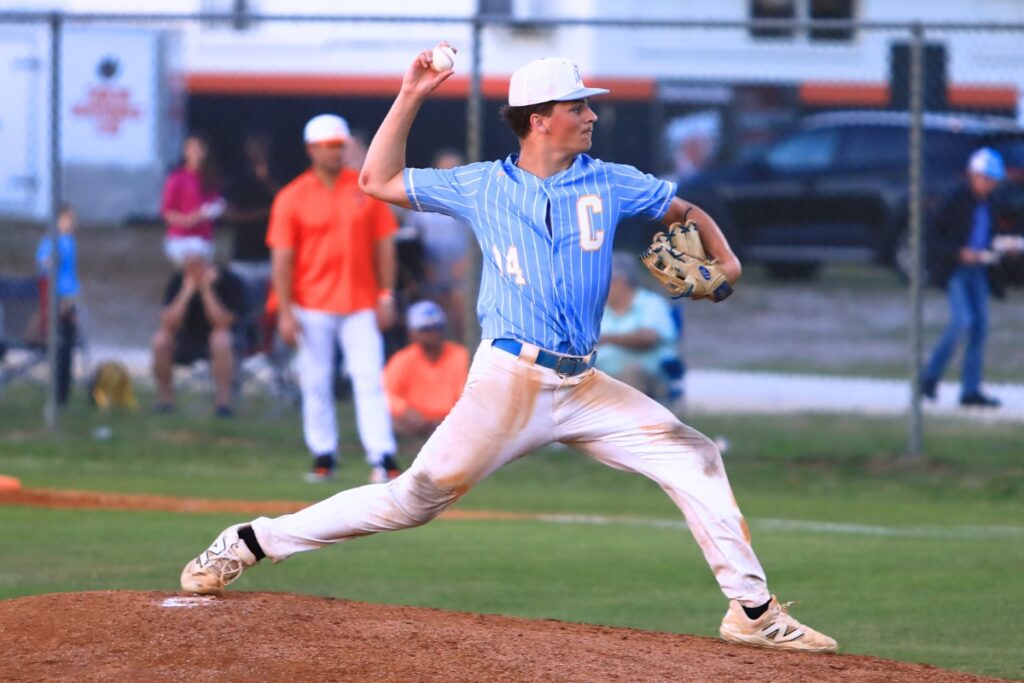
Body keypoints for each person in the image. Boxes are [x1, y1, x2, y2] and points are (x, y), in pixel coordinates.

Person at [180, 49, 837, 654]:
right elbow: (376, 180)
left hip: (583, 385)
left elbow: (682, 207)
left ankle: (751, 609)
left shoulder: (609, 180)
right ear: (538, 119)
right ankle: (253, 539)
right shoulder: (481, 184)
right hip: (509, 380)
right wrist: (411, 91)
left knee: (694, 454)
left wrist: (726, 258)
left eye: (587, 104)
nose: (591, 115)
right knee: (412, 499)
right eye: (578, 105)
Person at [265, 113, 401, 485]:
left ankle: (382, 456)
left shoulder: (365, 190)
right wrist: (285, 310)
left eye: (339, 146)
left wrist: (386, 295)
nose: (335, 153)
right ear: (311, 149)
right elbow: (282, 258)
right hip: (311, 305)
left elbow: (385, 247)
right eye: (328, 147)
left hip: (360, 303)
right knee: (316, 381)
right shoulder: (292, 196)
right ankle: (324, 453)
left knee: (369, 379)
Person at [921, 147, 1020, 407]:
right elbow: (931, 237)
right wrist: (957, 253)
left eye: (993, 180)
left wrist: (1003, 247)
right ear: (973, 175)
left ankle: (970, 390)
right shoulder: (955, 199)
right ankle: (929, 376)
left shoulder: (992, 203)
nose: (989, 184)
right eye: (985, 178)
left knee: (980, 328)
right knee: (961, 322)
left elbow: (990, 236)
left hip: (980, 269)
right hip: (956, 270)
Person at [151, 252, 249, 417]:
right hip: (188, 339)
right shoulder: (178, 281)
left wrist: (206, 291)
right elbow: (167, 322)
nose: (195, 270)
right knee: (160, 340)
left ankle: (223, 404)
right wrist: (186, 292)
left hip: (227, 341)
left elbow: (222, 323)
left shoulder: (231, 282)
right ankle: (166, 401)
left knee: (220, 339)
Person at [399, 149, 473, 341]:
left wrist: (468, 263)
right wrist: (422, 267)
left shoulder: (471, 201)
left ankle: (464, 351)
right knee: (435, 317)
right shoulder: (422, 203)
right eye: (446, 168)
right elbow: (410, 241)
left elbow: (479, 239)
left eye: (456, 168)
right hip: (431, 272)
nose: (451, 172)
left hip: (461, 273)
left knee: (462, 314)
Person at [597, 252, 680, 404]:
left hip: (648, 377)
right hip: (601, 377)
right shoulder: (598, 310)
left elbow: (648, 338)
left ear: (620, 281)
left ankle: (623, 426)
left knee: (631, 374)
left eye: (603, 280)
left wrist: (608, 339)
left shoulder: (651, 304)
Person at [383, 300, 469, 437]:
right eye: (425, 330)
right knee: (388, 421)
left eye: (436, 327)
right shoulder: (402, 360)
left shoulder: (460, 355)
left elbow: (468, 393)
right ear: (412, 333)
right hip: (415, 422)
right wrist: (405, 411)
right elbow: (386, 394)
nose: (432, 334)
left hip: (453, 420)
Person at [222, 133, 279, 316]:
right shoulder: (236, 179)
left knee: (269, 312)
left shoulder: (275, 176)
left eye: (263, 147)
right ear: (247, 150)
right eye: (255, 147)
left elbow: (286, 204)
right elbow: (231, 216)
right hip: (243, 259)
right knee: (242, 309)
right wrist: (266, 212)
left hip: (269, 257)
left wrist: (267, 181)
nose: (259, 152)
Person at [35, 203, 80, 405]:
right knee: (62, 343)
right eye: (68, 218)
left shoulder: (69, 241)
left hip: (70, 298)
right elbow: (45, 266)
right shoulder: (51, 242)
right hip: (58, 298)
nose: (73, 222)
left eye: (73, 218)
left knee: (68, 342)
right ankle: (59, 393)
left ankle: (63, 390)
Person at [161, 134, 225, 267]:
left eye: (199, 149)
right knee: (200, 274)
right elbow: (168, 211)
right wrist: (187, 220)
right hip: (181, 239)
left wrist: (214, 211)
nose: (195, 153)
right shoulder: (177, 178)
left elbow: (216, 205)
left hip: (203, 238)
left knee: (198, 280)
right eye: (191, 148)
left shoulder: (210, 178)